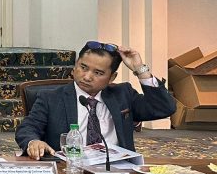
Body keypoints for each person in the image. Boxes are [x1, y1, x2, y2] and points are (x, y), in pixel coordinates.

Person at [17, 41, 176, 160]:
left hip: (117, 171)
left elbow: (164, 108)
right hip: (69, 170)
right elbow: (28, 127)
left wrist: (140, 69)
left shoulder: (122, 95)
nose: (87, 77)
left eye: (98, 73)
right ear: (75, 67)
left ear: (111, 77)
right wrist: (33, 141)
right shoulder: (51, 98)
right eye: (83, 67)